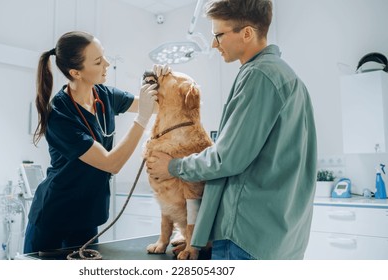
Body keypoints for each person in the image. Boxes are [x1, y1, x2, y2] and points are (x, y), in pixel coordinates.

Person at [146, 0, 317, 260]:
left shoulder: (258, 76)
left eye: (218, 35)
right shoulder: (288, 78)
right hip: (280, 239)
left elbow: (227, 159)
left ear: (246, 33)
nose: (214, 44)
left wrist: (173, 166)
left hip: (246, 238)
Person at [24, 31, 163, 253]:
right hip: (55, 218)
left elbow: (155, 106)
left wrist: (161, 84)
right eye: (98, 62)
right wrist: (142, 119)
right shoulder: (60, 115)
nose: (107, 64)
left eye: (104, 56)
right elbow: (111, 163)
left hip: (87, 217)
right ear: (75, 73)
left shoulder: (105, 95)